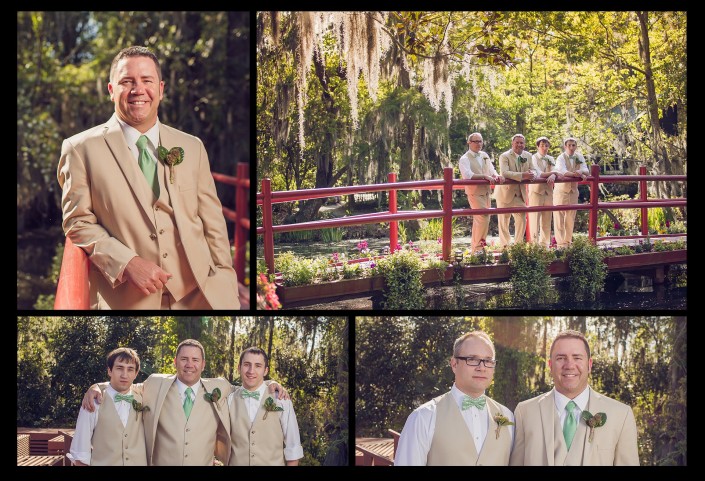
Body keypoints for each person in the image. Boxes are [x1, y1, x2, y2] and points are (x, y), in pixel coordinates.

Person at [57, 45, 239, 309]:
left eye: (146, 81)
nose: (137, 90)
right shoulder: (80, 149)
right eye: (127, 81)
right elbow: (77, 222)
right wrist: (126, 262)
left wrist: (225, 283)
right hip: (127, 300)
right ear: (111, 90)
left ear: (161, 89)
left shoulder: (192, 146)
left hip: (200, 294)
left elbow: (213, 223)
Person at [82, 339, 287, 465]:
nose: (190, 365)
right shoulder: (155, 384)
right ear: (175, 361)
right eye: (184, 359)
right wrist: (96, 387)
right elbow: (124, 386)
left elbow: (249, 387)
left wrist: (272, 383)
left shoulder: (221, 387)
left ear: (203, 364)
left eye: (195, 360)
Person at [509, 330, 639, 466]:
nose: (569, 365)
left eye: (577, 358)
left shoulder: (621, 415)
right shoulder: (524, 412)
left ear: (589, 365)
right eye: (561, 358)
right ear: (550, 365)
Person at [394, 331, 514, 466]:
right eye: (472, 359)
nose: (482, 368)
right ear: (454, 364)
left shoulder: (508, 418)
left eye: (488, 361)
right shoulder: (423, 417)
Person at [68, 348, 147, 465]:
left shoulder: (144, 397)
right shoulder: (93, 401)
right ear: (109, 371)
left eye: (130, 369)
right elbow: (80, 454)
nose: (124, 375)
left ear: (136, 374)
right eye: (119, 368)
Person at [228, 347, 303, 465]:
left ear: (265, 370)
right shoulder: (229, 399)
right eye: (247, 364)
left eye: (258, 366)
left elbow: (293, 448)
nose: (251, 371)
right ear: (239, 367)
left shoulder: (281, 399)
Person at [458, 133, 505, 253]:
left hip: (486, 192)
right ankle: (478, 248)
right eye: (476, 141)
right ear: (469, 143)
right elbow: (467, 175)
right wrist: (484, 176)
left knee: (484, 218)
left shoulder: (485, 155)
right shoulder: (464, 158)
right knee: (482, 217)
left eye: (480, 141)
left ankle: (479, 246)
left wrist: (496, 175)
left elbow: (491, 169)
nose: (479, 144)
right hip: (474, 192)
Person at [496, 134, 535, 247]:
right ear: (512, 143)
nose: (519, 145)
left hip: (520, 194)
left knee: (522, 219)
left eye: (521, 143)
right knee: (504, 221)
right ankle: (505, 247)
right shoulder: (504, 156)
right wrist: (523, 175)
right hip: (505, 192)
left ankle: (518, 246)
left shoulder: (528, 155)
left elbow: (533, 169)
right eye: (517, 142)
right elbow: (505, 172)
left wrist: (533, 174)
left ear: (524, 144)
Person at [553, 137, 589, 248]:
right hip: (561, 191)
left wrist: (581, 171)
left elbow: (586, 170)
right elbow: (562, 171)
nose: (571, 147)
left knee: (570, 218)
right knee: (559, 218)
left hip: (573, 191)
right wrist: (576, 174)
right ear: (565, 146)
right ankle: (560, 244)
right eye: (569, 145)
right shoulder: (561, 157)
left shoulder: (579, 156)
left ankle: (568, 243)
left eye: (573, 145)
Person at [528, 136, 559, 247]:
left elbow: (557, 171)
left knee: (547, 219)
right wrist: (553, 173)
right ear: (537, 146)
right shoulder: (533, 158)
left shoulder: (551, 158)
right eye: (542, 145)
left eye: (546, 145)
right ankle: (534, 245)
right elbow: (539, 173)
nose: (544, 148)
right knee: (534, 219)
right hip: (536, 191)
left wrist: (554, 174)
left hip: (548, 192)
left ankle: (545, 245)